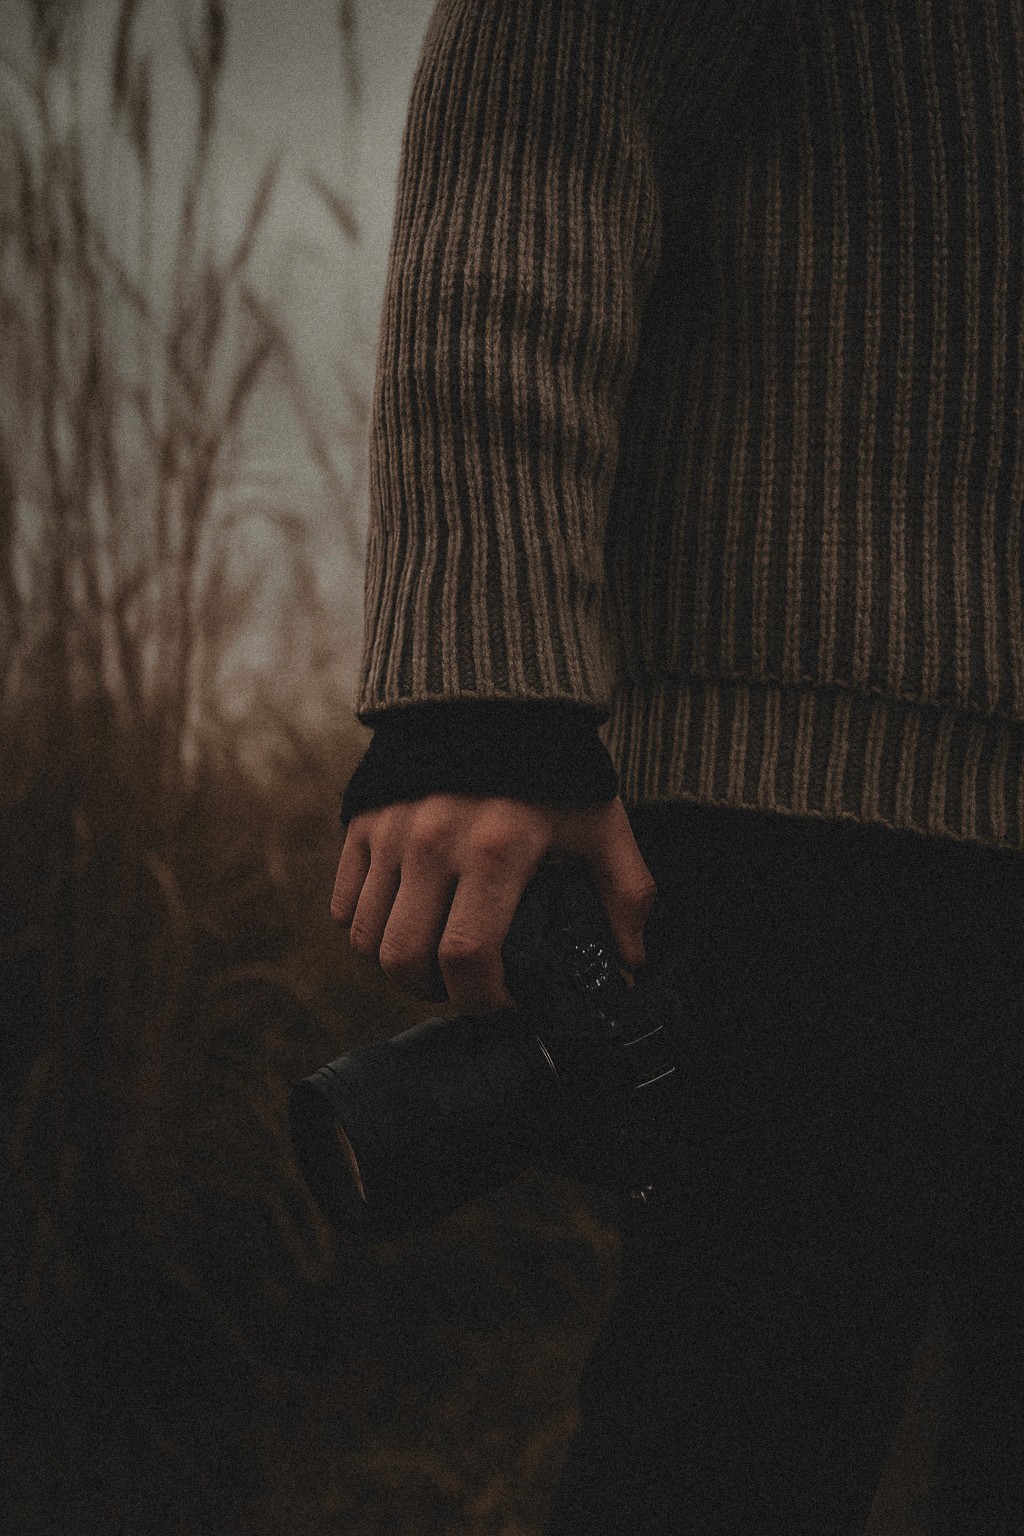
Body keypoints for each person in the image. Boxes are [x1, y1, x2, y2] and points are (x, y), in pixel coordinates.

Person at [330, 1, 1024, 1529]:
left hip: (858, 815)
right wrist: (482, 690)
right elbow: (543, 102)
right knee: (733, 1466)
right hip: (825, 809)